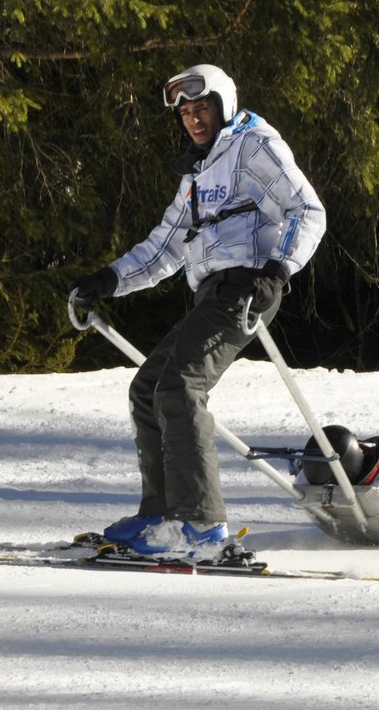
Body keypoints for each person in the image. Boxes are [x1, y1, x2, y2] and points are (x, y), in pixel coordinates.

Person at [68, 64, 326, 561]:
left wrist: (276, 273)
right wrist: (105, 281)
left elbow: (306, 210)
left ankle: (200, 524)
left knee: (181, 384)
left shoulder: (253, 145)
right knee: (148, 387)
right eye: (185, 112)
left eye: (201, 107)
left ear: (223, 106)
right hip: (212, 292)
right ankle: (162, 514)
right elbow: (163, 247)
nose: (193, 119)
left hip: (246, 288)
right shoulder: (198, 173)